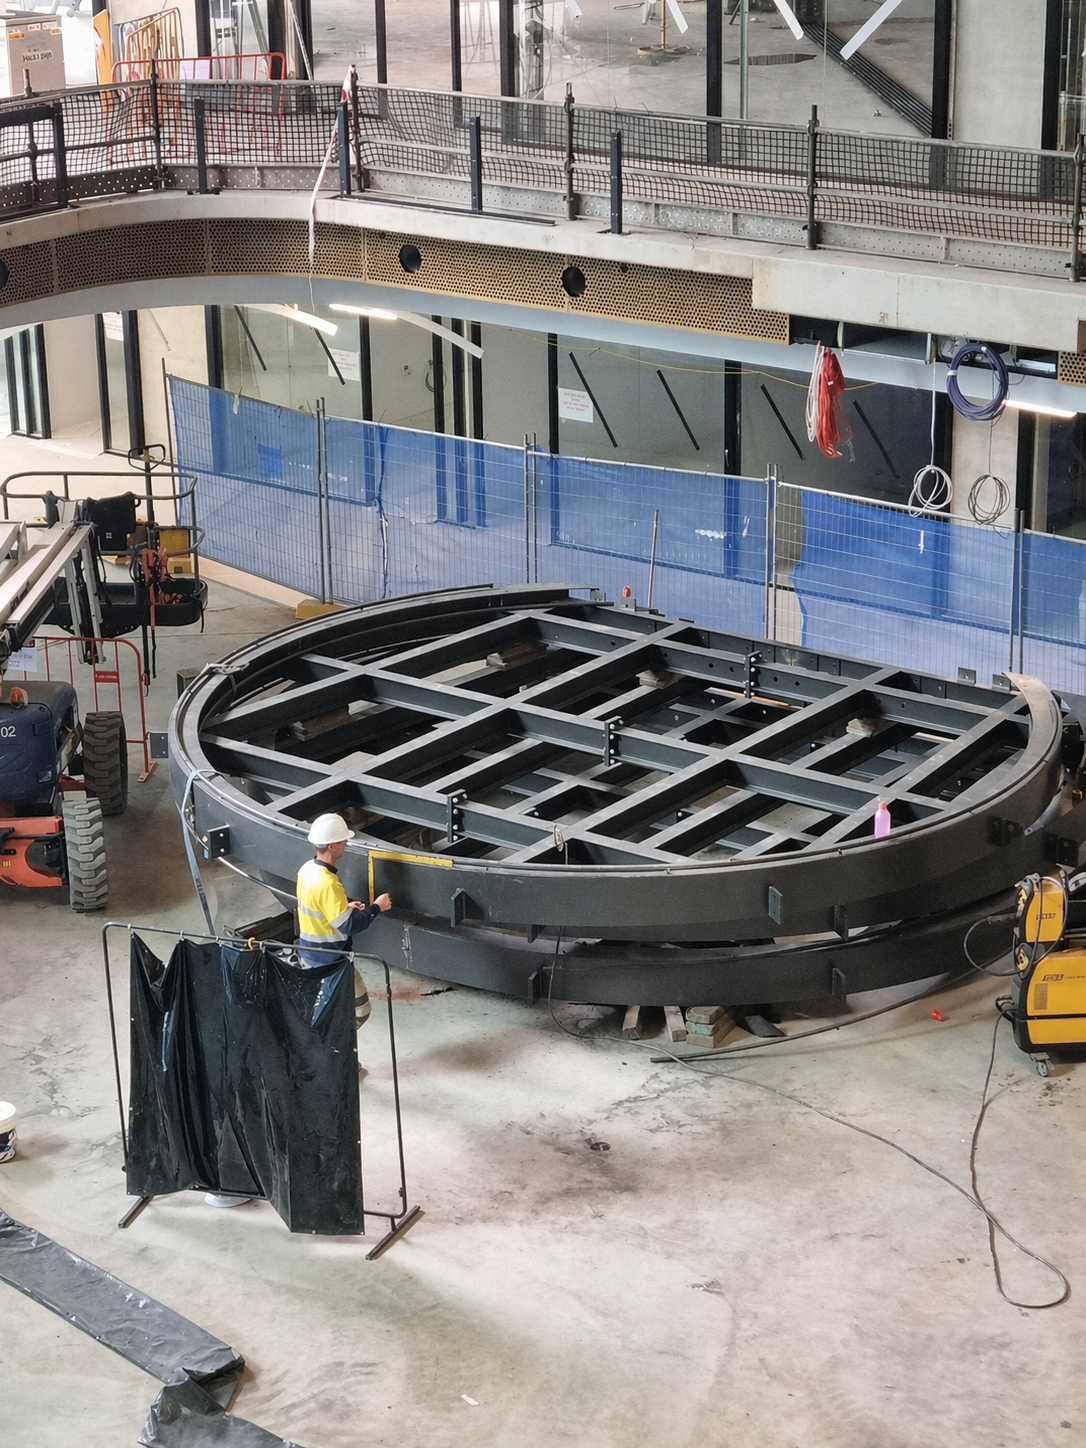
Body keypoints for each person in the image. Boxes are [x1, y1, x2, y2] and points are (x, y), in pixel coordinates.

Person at [296, 815, 392, 1023]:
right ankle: (336, 1052)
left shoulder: (307, 870)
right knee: (360, 1012)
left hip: (310, 955)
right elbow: (349, 925)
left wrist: (343, 907)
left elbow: (317, 906)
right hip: (331, 961)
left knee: (327, 1012)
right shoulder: (328, 882)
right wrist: (378, 907)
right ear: (332, 846)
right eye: (343, 840)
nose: (346, 844)